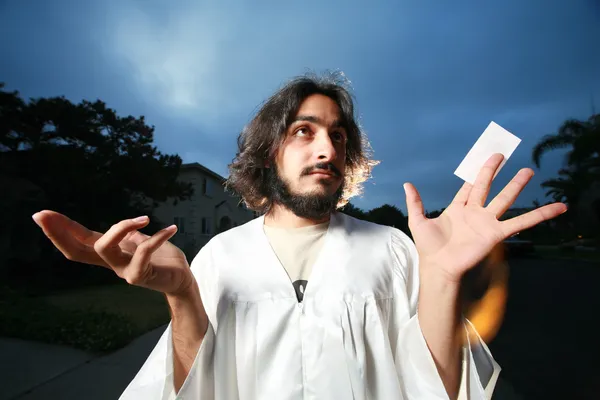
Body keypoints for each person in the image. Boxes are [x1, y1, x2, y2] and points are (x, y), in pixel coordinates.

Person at [32, 72, 567, 400]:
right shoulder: (221, 254)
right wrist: (181, 295)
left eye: (338, 136)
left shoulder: (392, 249)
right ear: (272, 152)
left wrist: (444, 277)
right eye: (304, 131)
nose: (327, 149)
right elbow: (197, 391)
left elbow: (438, 390)